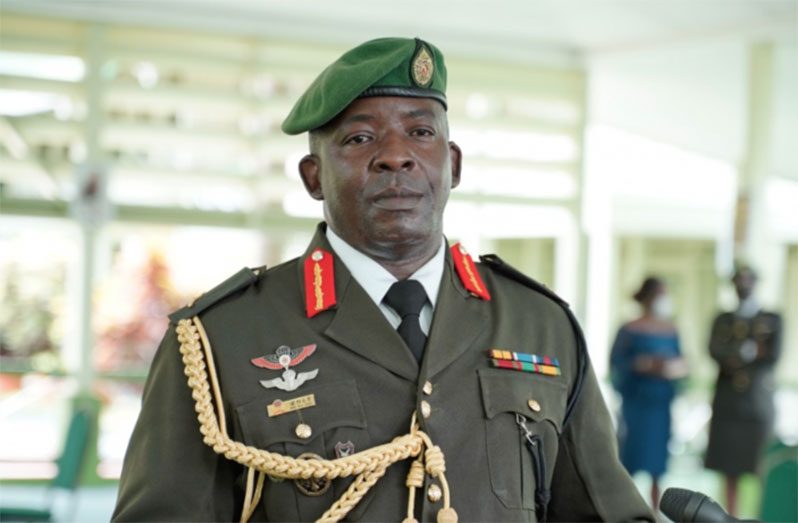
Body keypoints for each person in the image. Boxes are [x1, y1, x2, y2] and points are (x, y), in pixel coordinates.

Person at [112, 37, 653, 522]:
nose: (395, 156)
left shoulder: (540, 324)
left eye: (420, 132)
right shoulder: (219, 339)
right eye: (360, 138)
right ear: (313, 177)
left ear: (453, 164)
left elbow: (601, 511)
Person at [704, 265, 782, 517]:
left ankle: (761, 517)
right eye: (739, 281)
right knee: (729, 467)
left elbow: (773, 355)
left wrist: (742, 355)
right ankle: (730, 517)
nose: (743, 286)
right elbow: (714, 350)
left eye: (748, 280)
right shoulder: (723, 319)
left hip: (757, 403)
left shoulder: (772, 319)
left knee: (760, 466)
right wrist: (743, 353)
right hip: (728, 403)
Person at [610, 276, 688, 510]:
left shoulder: (671, 330)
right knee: (631, 456)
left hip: (660, 404)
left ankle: (655, 510)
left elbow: (682, 363)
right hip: (637, 402)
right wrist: (642, 364)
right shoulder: (629, 330)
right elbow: (616, 364)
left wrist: (671, 369)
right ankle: (626, 509)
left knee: (657, 462)